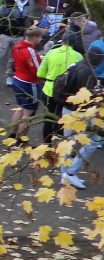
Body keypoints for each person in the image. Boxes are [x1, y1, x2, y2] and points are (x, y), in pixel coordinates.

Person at [58, 42, 104, 189]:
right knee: (93, 142)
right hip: (80, 112)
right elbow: (88, 96)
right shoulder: (88, 73)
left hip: (67, 109)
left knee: (68, 144)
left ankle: (64, 175)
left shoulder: (76, 65)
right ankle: (71, 172)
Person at [9, 25, 46, 142]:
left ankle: (12, 134)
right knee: (28, 114)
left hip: (17, 80)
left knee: (20, 108)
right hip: (29, 84)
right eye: (40, 37)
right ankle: (21, 140)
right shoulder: (31, 52)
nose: (41, 40)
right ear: (35, 37)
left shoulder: (17, 47)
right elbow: (38, 72)